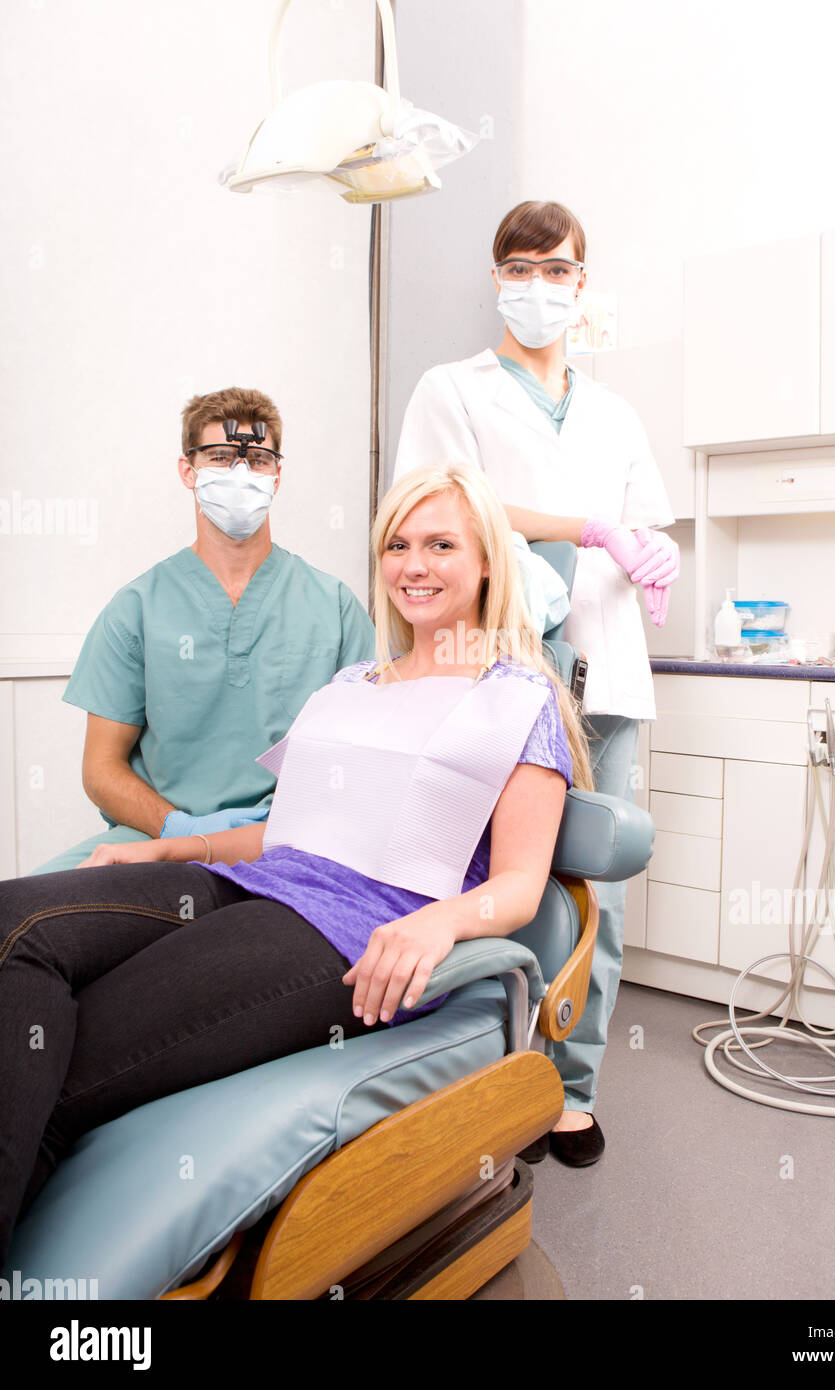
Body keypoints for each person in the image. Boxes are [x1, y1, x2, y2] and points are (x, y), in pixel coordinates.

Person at [0, 462, 590, 1266]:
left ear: (487, 558)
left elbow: (521, 885)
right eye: (397, 545)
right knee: (17, 920)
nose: (412, 565)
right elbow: (287, 830)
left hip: (343, 929)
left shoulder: (519, 698)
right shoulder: (354, 684)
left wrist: (437, 923)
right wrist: (177, 844)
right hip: (251, 882)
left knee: (70, 1063)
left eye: (440, 544)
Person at [395, 200, 678, 1166]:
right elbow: (444, 506)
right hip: (504, 655)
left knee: (595, 878)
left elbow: (648, 518)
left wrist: (649, 551)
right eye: (519, 267)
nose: (537, 285)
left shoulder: (615, 412)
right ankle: (482, 1078)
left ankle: (569, 1086)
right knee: (487, 873)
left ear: (579, 283)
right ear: (496, 277)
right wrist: (581, 528)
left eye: (556, 270)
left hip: (604, 672)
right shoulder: (452, 388)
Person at [31, 387, 375, 875]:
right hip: (154, 837)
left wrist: (270, 829)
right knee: (22, 915)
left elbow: (361, 759)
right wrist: (179, 832)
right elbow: (101, 769)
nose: (240, 474)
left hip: (284, 840)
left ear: (277, 474)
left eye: (257, 459)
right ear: (187, 471)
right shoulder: (138, 608)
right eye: (219, 457)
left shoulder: (333, 605)